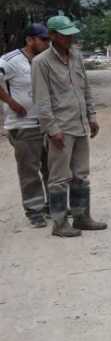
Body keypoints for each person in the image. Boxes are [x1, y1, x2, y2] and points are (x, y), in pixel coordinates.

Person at [32, 14, 106, 237]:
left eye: (72, 34)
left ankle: (82, 217)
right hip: (61, 129)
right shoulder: (41, 63)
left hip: (81, 124)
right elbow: (42, 102)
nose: (70, 38)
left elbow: (85, 89)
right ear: (52, 36)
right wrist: (52, 130)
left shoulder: (75, 56)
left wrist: (91, 116)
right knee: (58, 179)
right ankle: (60, 223)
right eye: (65, 35)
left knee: (81, 175)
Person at [0, 24, 51, 227]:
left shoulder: (45, 60)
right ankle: (35, 211)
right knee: (29, 170)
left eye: (48, 40)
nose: (47, 43)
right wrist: (11, 102)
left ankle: (52, 205)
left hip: (47, 123)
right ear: (30, 40)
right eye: (43, 40)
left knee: (52, 168)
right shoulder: (10, 60)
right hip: (23, 126)